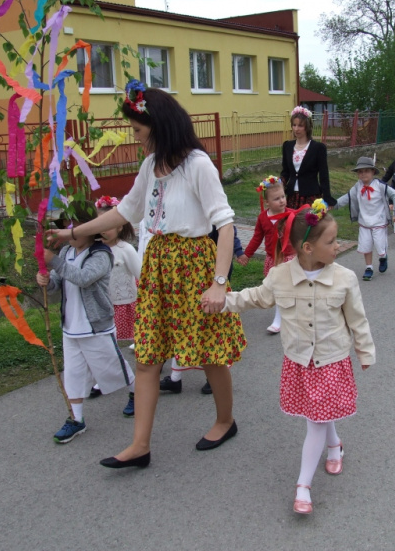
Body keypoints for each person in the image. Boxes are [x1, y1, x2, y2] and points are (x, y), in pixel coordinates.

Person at [46, 79, 246, 469]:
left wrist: (218, 284)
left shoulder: (198, 165)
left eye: (138, 131)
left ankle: (225, 421)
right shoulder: (149, 167)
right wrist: (73, 233)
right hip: (157, 267)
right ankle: (140, 446)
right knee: (147, 356)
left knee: (208, 354)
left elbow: (225, 225)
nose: (135, 138)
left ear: (159, 125)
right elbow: (124, 213)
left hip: (194, 266)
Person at [211, 201, 375, 515]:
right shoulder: (280, 276)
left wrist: (365, 351)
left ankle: (303, 486)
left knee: (316, 419)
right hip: (300, 360)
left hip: (331, 360)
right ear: (307, 247)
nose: (337, 246)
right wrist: (223, 300)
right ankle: (334, 445)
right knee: (320, 414)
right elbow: (256, 297)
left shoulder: (344, 279)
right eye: (330, 242)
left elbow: (357, 319)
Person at [37, 202, 137, 442]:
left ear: (89, 229)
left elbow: (83, 278)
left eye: (73, 228)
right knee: (73, 373)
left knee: (113, 366)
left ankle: (137, 394)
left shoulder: (102, 254)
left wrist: (53, 262)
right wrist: (46, 280)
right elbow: (58, 284)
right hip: (71, 327)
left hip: (96, 326)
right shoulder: (66, 253)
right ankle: (76, 419)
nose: (68, 233)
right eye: (65, 227)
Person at [160, 224, 245, 395]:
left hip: (207, 273)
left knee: (208, 329)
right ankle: (175, 378)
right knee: (180, 323)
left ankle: (212, 377)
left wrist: (220, 278)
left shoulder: (211, 212)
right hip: (182, 273)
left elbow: (228, 233)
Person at [87, 196, 141, 408]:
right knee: (106, 345)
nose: (105, 229)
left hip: (127, 303)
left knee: (140, 339)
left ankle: (148, 372)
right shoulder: (94, 249)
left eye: (110, 225)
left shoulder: (125, 249)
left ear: (120, 227)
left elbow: (141, 274)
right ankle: (103, 379)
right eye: (101, 224)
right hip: (103, 306)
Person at [332, 156, 395, 281]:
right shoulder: (357, 187)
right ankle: (369, 267)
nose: (363, 174)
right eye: (360, 171)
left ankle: (383, 257)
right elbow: (346, 198)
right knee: (366, 245)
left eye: (366, 171)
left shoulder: (380, 186)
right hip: (364, 222)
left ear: (373, 172)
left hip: (379, 221)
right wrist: (333, 205)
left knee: (380, 245)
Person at [237, 176, 293, 333]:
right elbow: (256, 237)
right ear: (267, 202)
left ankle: (280, 318)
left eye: (283, 196)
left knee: (286, 288)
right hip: (273, 260)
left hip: (289, 258)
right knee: (277, 289)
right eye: (276, 199)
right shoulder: (263, 218)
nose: (282, 201)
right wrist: (246, 254)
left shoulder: (291, 215)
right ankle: (283, 315)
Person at [280, 106, 336, 209]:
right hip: (292, 196)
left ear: (307, 126)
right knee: (291, 224)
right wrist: (276, 184)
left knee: (309, 224)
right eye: (294, 125)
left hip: (310, 196)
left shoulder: (318, 148)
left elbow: (323, 175)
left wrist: (327, 198)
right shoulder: (287, 146)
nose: (296, 129)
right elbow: (286, 172)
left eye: (300, 125)